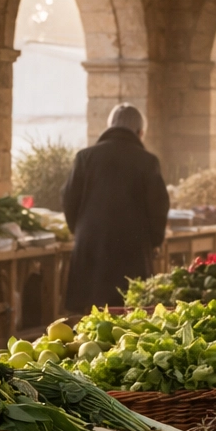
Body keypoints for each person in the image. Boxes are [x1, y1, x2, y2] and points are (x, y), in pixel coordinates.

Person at [62, 103, 169, 312]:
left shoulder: (84, 157)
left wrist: (81, 231)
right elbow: (158, 207)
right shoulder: (147, 161)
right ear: (140, 132)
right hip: (133, 251)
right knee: (130, 314)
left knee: (88, 316)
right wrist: (155, 240)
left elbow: (68, 199)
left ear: (109, 127)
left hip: (90, 250)